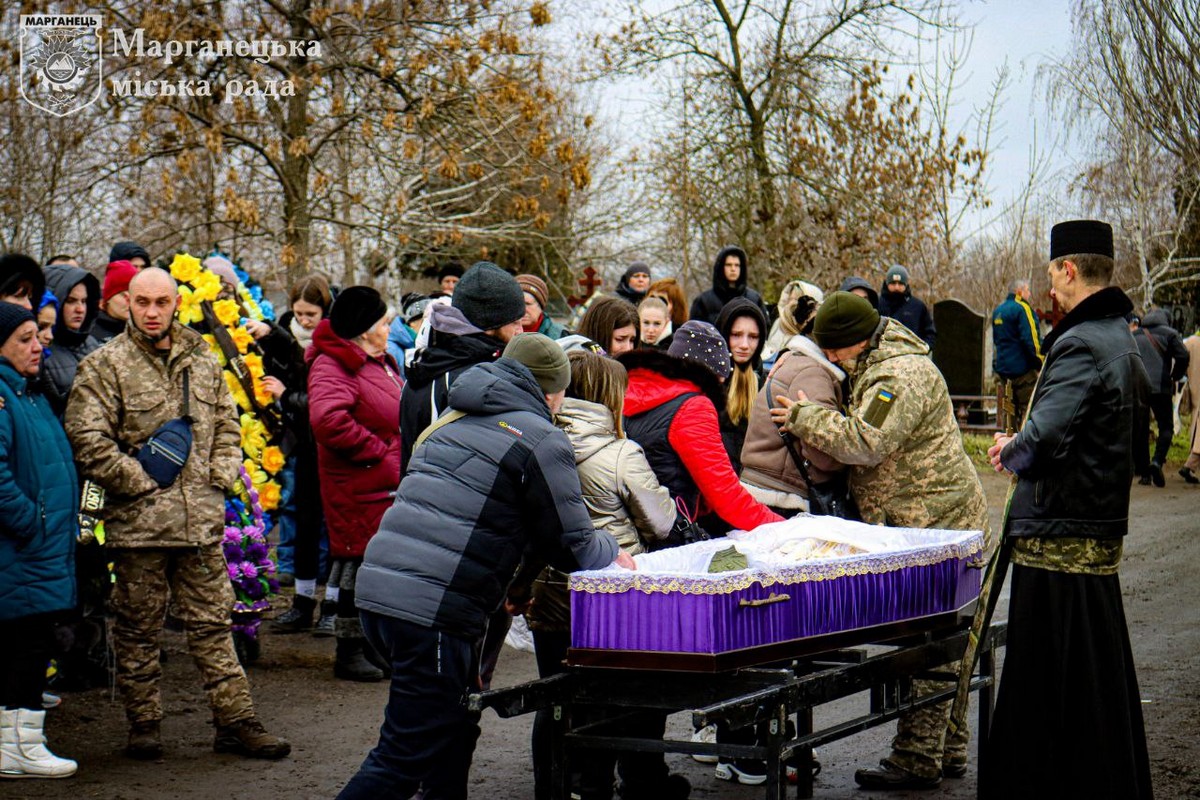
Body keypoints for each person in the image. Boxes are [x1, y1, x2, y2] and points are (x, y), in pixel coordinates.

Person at [339, 334, 633, 800]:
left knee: (454, 728)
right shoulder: (542, 436)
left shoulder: (449, 419)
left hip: (378, 595)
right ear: (552, 390)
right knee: (404, 756)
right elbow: (571, 543)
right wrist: (611, 549)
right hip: (432, 612)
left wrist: (516, 586)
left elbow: (502, 521)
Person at [65, 268, 289, 761]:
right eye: (141, 302)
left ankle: (236, 721)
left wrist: (221, 474)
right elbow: (87, 440)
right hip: (138, 529)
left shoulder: (201, 358)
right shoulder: (105, 366)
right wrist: (140, 482)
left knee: (213, 624)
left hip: (201, 525)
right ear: (127, 302)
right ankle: (143, 724)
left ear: (175, 303)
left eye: (161, 302)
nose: (151, 312)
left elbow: (228, 421)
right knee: (137, 630)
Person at [772, 290, 988, 789]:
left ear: (856, 341)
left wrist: (805, 418)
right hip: (927, 525)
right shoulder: (880, 358)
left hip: (942, 527)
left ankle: (916, 760)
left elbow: (867, 442)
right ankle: (946, 749)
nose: (827, 358)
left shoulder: (899, 375)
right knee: (946, 643)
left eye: (832, 349)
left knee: (933, 644)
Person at [983, 220, 1153, 800]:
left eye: (1053, 272)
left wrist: (1011, 449)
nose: (1049, 286)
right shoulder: (1119, 335)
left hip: (1058, 538)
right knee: (1092, 684)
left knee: (1046, 688)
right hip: (1093, 529)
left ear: (1069, 270)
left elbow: (1046, 436)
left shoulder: (1081, 342)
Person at [526, 349, 678, 800]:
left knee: (555, 697)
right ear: (612, 396)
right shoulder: (619, 452)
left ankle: (555, 788)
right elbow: (660, 521)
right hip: (610, 596)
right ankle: (616, 785)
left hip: (551, 592)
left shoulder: (538, 442)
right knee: (625, 696)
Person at [307, 286, 403, 682]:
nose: (389, 327)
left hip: (379, 483)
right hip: (357, 484)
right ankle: (349, 651)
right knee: (356, 565)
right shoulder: (334, 365)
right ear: (365, 330)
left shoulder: (375, 361)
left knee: (373, 566)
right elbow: (328, 420)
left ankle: (372, 648)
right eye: (384, 322)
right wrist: (379, 452)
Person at [0, 303, 78, 779]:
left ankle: (18, 742)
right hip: (22, 549)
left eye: (38, 336)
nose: (38, 345)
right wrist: (32, 522)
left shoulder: (28, 393)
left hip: (40, 548)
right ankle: (19, 748)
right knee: (24, 647)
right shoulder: (4, 397)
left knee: (28, 643)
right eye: (26, 338)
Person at [621, 320, 783, 541]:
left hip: (632, 531)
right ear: (708, 374)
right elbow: (728, 498)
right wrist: (785, 529)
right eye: (718, 380)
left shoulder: (632, 390)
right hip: (672, 536)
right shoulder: (693, 406)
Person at [401, 261, 526, 471]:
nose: (520, 331)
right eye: (515, 322)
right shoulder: (470, 379)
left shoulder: (438, 361)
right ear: (489, 324)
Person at [741, 287, 847, 515]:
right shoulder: (813, 375)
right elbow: (823, 452)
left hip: (762, 488)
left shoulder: (796, 363)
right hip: (784, 497)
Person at [1131, 306, 1188, 487]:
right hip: (1161, 387)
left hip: (1139, 388)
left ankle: (1145, 474)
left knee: (1140, 430)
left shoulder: (1135, 335)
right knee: (1166, 427)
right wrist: (1176, 375)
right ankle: (1157, 462)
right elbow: (1183, 355)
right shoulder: (1170, 334)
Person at [41, 262, 102, 416]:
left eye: (84, 301)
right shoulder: (41, 350)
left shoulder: (92, 344)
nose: (80, 309)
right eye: (71, 301)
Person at [715, 297, 768, 474]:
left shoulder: (768, 384)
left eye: (753, 337)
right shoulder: (709, 383)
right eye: (736, 335)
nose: (744, 345)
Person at [991, 278, 1043, 424]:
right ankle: (1026, 447)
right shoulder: (1022, 309)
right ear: (1019, 292)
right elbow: (1031, 341)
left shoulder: (998, 311)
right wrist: (1040, 363)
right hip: (1024, 375)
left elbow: (996, 341)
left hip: (1004, 374)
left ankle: (1007, 445)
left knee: (1009, 417)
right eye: (1027, 290)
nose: (1029, 294)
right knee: (1030, 415)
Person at [689, 246, 768, 325]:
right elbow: (694, 332)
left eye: (737, 265)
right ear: (721, 267)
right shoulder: (704, 301)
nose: (733, 269)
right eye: (729, 265)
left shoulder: (754, 300)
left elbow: (765, 330)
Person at [762, 279, 823, 364]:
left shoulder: (812, 339)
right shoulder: (776, 320)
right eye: (790, 299)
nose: (791, 303)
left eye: (796, 300)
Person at [877, 265, 935, 349]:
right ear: (887, 283)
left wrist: (924, 348)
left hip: (911, 355)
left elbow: (930, 333)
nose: (896, 287)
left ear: (906, 284)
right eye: (893, 283)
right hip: (882, 354)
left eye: (900, 283)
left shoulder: (918, 307)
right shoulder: (876, 304)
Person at [93, 260, 139, 344]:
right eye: (123, 295)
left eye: (134, 294)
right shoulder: (91, 335)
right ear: (108, 299)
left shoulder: (144, 330)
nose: (130, 301)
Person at [517, 274, 566, 339]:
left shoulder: (560, 336)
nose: (522, 310)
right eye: (518, 304)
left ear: (540, 307)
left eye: (528, 304)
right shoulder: (501, 333)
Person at [1180, 329, 1200, 484]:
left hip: (1195, 388)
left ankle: (1190, 464)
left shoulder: (1191, 342)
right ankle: (1190, 463)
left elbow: (1179, 356)